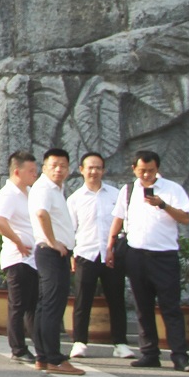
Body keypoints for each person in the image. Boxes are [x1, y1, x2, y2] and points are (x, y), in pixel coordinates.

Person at [106, 149, 189, 371]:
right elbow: (118, 218)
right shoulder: (128, 190)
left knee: (170, 307)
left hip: (164, 256)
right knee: (142, 306)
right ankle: (149, 352)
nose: (146, 175)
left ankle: (179, 355)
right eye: (142, 170)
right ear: (134, 169)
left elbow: (185, 218)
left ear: (158, 169)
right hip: (136, 254)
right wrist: (110, 246)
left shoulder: (172, 189)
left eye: (151, 170)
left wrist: (162, 204)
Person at [67, 152, 132, 359]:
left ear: (103, 170)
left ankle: (120, 343)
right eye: (90, 167)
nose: (94, 171)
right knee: (82, 300)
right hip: (86, 253)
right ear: (81, 170)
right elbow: (70, 229)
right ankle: (79, 342)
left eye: (98, 167)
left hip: (111, 254)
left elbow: (125, 223)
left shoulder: (115, 195)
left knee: (116, 299)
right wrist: (71, 254)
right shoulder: (75, 199)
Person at [28, 148, 85, 375]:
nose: (58, 170)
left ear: (69, 169)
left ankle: (43, 356)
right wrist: (53, 242)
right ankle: (54, 358)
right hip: (51, 252)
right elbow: (41, 214)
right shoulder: (44, 188)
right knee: (52, 305)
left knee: (46, 305)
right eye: (53, 166)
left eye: (63, 166)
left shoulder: (56, 189)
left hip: (55, 252)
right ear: (44, 168)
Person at [0, 153, 41, 363]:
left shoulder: (28, 193)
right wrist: (17, 241)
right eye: (31, 171)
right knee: (18, 305)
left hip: (32, 258)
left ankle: (41, 347)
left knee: (33, 305)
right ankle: (18, 348)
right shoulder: (8, 194)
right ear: (17, 172)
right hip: (18, 258)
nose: (35, 174)